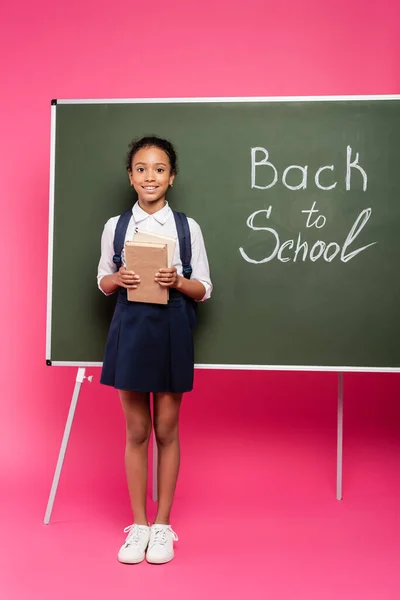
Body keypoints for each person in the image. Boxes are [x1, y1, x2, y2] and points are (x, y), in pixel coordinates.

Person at [97, 136, 212, 564]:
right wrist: (119, 279)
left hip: (171, 330)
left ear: (172, 176)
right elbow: (102, 280)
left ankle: (162, 525)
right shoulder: (116, 226)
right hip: (129, 330)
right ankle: (139, 525)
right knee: (137, 432)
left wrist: (177, 282)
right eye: (141, 169)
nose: (150, 176)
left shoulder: (186, 227)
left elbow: (204, 287)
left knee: (166, 429)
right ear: (130, 177)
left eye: (159, 168)